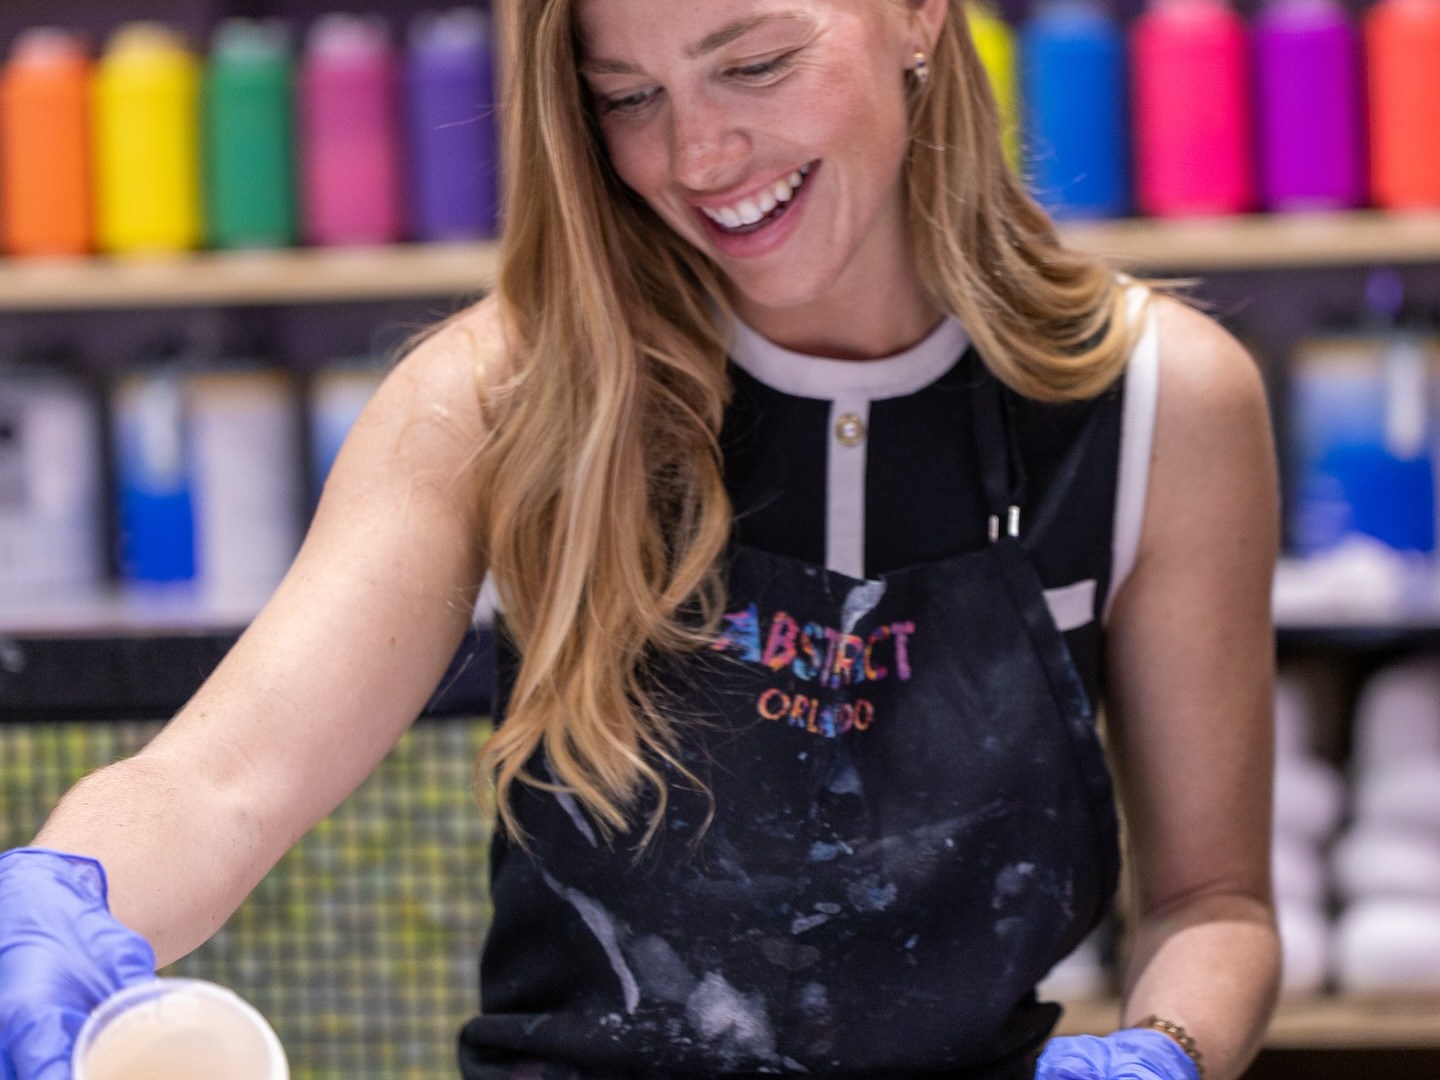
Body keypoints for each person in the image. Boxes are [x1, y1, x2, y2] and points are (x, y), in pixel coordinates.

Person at [0, 0, 1282, 1077]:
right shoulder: (501, 399)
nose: (700, 154)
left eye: (757, 64)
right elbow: (219, 786)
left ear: (920, 16)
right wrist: (63, 895)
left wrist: (1164, 1047)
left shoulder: (1163, 408)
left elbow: (1211, 904)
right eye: (627, 96)